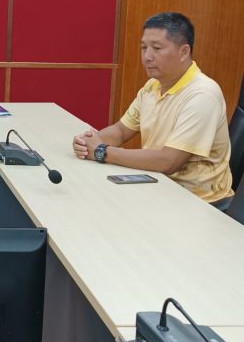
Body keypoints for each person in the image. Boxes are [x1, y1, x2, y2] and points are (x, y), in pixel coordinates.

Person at [72, 12, 233, 204]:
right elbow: (121, 131)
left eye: (157, 48)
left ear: (184, 52)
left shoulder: (202, 95)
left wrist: (101, 151)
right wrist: (87, 143)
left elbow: (168, 161)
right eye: (144, 48)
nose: (147, 57)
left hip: (199, 200)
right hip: (157, 183)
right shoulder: (153, 86)